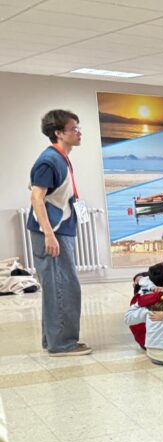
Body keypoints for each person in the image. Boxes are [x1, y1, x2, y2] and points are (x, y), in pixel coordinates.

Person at [27, 108, 89, 356]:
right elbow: (36, 197)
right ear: (58, 133)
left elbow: (37, 187)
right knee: (63, 287)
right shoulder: (49, 160)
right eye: (74, 128)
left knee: (58, 286)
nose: (79, 132)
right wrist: (49, 234)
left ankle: (53, 340)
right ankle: (62, 344)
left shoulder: (60, 158)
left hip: (60, 229)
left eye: (78, 127)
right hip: (52, 232)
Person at [126, 262, 163, 350]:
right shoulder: (159, 298)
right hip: (154, 344)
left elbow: (141, 279)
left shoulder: (143, 289)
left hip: (144, 341)